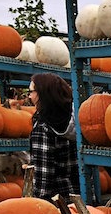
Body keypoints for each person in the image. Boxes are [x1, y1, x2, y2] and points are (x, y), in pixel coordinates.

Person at [28, 73, 79, 202]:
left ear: (43, 94)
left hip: (58, 201)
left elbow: (44, 174)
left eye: (31, 92)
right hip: (79, 195)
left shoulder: (43, 127)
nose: (29, 96)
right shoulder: (76, 119)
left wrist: (39, 202)